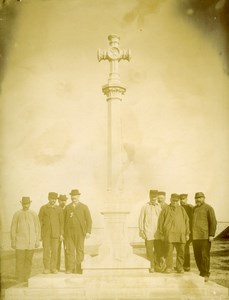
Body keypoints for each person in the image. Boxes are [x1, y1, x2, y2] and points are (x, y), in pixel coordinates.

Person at [157, 193, 190, 274]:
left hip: (180, 235)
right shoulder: (165, 209)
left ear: (178, 201)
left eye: (176, 201)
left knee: (181, 252)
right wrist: (161, 234)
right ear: (170, 200)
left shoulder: (182, 209)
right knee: (168, 252)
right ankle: (169, 267)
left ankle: (179, 267)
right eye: (173, 200)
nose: (175, 202)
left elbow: (187, 221)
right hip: (169, 235)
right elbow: (160, 222)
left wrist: (187, 233)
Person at [10, 196, 40, 283]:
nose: (26, 205)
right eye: (24, 204)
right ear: (22, 204)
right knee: (20, 261)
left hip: (31, 243)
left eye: (27, 203)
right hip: (20, 243)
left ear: (30, 203)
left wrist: (37, 240)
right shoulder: (17, 214)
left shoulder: (33, 214)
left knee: (28, 261)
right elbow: (13, 228)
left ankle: (27, 277)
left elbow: (37, 227)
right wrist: (13, 241)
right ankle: (19, 277)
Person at [64, 189, 92, 274]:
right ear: (70, 197)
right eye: (72, 196)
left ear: (78, 196)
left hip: (80, 232)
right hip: (69, 232)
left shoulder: (84, 207)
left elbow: (89, 220)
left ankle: (79, 268)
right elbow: (63, 221)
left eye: (75, 196)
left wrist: (88, 231)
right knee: (70, 250)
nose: (74, 197)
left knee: (80, 250)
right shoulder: (68, 207)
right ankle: (71, 268)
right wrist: (63, 233)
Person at [192, 192, 217, 282]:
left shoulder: (209, 208)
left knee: (204, 256)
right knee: (197, 256)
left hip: (205, 237)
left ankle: (206, 273)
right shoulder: (194, 209)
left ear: (204, 198)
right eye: (196, 198)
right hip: (195, 237)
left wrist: (211, 235)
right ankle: (201, 272)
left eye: (200, 198)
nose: (198, 199)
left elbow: (213, 222)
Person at [39, 192, 64, 274]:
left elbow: (61, 223)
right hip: (46, 234)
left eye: (55, 199)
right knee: (46, 251)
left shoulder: (59, 209)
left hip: (56, 234)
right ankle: (46, 268)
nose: (53, 200)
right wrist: (40, 234)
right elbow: (40, 222)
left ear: (56, 200)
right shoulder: (43, 208)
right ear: (48, 199)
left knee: (55, 251)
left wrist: (61, 234)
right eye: (51, 199)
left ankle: (53, 268)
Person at [138, 190, 161, 273]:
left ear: (157, 197)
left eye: (155, 197)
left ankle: (157, 265)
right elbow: (141, 219)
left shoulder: (159, 206)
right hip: (148, 233)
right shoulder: (145, 206)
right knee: (149, 250)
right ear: (149, 196)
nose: (153, 198)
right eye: (152, 196)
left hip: (157, 233)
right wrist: (141, 231)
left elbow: (161, 220)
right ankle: (151, 266)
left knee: (158, 250)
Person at [179, 194, 193, 271]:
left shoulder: (190, 208)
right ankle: (180, 265)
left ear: (187, 199)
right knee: (180, 249)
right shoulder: (178, 208)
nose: (182, 200)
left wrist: (189, 232)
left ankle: (186, 266)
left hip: (187, 231)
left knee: (185, 249)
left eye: (183, 199)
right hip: (179, 231)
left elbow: (191, 220)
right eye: (181, 199)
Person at [56, 194, 68, 271]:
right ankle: (56, 267)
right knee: (56, 250)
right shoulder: (56, 209)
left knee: (67, 250)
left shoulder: (68, 209)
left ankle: (68, 267)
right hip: (58, 233)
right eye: (61, 201)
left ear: (66, 201)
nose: (62, 202)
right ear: (58, 201)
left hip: (67, 233)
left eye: (64, 201)